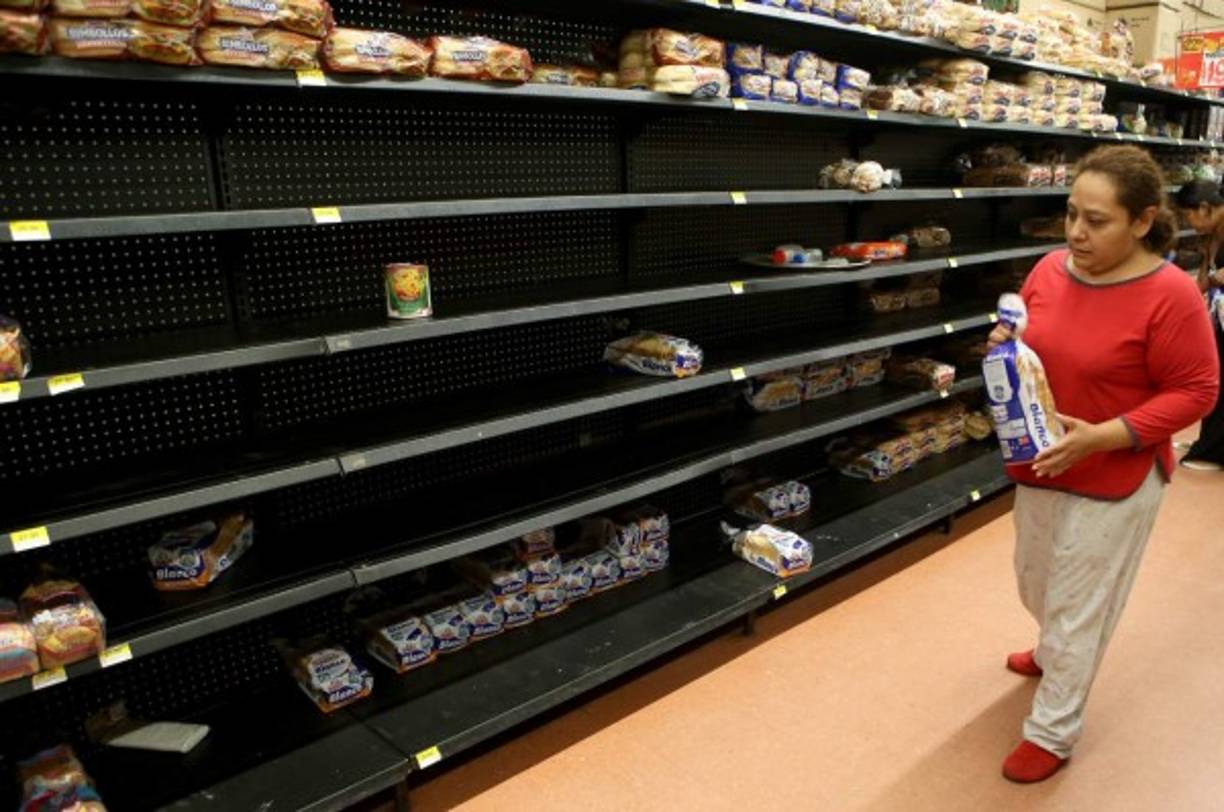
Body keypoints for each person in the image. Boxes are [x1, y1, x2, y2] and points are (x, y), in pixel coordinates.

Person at [987, 146, 1219, 783]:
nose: (1076, 233)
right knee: (1035, 580)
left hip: (1117, 473)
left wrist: (1108, 436)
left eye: (1097, 221)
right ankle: (1051, 644)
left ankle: (1052, 730)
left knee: (1079, 606)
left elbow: (1198, 390)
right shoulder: (1048, 271)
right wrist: (1006, 350)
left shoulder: (1169, 293)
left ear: (1142, 222)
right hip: (1043, 461)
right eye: (1070, 215)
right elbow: (1032, 342)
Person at [1174, 179, 1224, 470]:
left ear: (1205, 208)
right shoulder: (1211, 236)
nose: (1187, 222)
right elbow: (1203, 282)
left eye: (1187, 215)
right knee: (1216, 376)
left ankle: (1215, 451)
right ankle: (1208, 443)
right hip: (1219, 316)